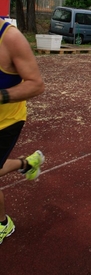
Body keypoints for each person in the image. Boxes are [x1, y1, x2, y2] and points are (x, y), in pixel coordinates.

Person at [0, 18, 45, 244]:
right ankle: (26, 164)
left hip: (7, 121)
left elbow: (36, 84)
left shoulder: (11, 38)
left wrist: (1, 96)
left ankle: (3, 224)